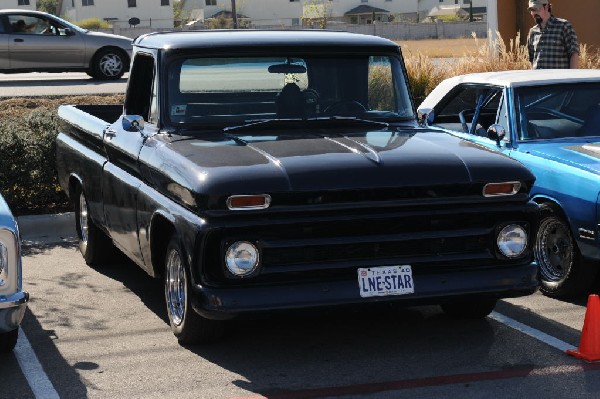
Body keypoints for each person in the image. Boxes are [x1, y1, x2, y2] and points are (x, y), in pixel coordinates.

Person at [527, 0, 579, 69]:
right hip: (538, 78)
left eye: (537, 9)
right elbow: (532, 59)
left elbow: (574, 53)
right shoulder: (533, 31)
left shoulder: (563, 26)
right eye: (532, 10)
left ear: (547, 7)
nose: (534, 13)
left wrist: (572, 76)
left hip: (559, 79)